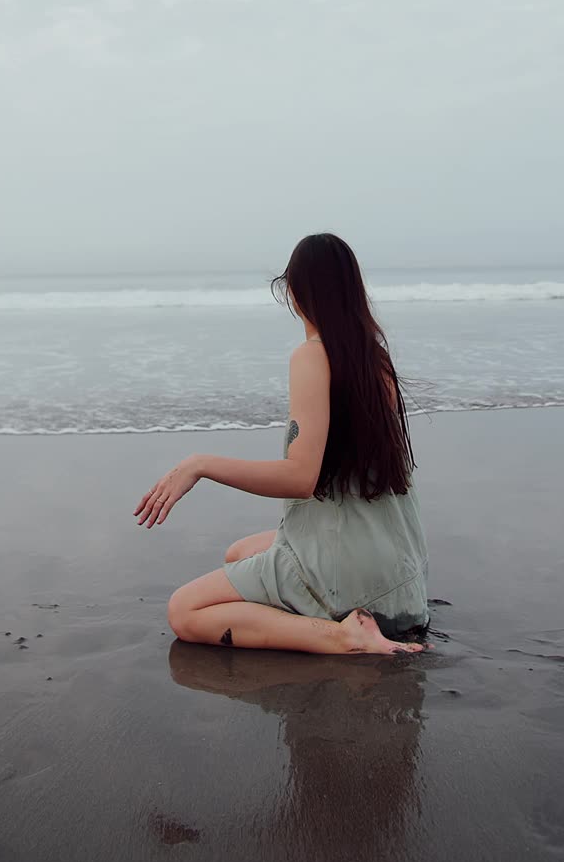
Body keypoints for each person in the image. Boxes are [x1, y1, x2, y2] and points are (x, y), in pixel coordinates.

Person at [134, 232, 430, 656]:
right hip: (400, 581)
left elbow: (300, 478)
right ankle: (346, 619)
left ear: (294, 291)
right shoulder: (373, 358)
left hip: (348, 578)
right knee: (238, 553)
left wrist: (200, 464)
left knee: (184, 611)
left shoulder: (312, 356)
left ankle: (345, 636)